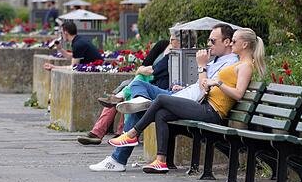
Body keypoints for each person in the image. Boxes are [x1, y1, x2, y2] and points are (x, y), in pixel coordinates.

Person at [93, 24, 247, 173]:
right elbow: (204, 85)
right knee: (143, 92)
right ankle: (159, 160)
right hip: (186, 96)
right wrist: (187, 86)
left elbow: (205, 87)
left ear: (226, 42)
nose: (208, 44)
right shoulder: (218, 60)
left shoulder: (232, 64)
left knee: (151, 105)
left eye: (212, 41)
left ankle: (125, 145)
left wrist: (201, 66)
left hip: (201, 106)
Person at [78, 36, 177, 146]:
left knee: (127, 92)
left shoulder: (179, 54)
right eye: (171, 35)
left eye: (175, 37)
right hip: (145, 80)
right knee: (130, 88)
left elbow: (153, 71)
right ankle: (111, 133)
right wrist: (145, 71)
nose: (172, 39)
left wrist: (146, 71)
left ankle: (104, 132)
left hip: (159, 86)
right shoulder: (163, 45)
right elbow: (142, 67)